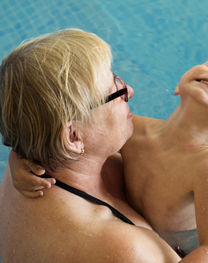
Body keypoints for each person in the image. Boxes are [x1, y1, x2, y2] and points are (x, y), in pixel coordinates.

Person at [8, 48, 208, 262]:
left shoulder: (207, 167)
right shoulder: (134, 130)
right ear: (180, 86)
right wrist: (20, 161)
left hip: (185, 241)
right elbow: (52, 136)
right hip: (152, 217)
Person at [0, 28, 183, 263]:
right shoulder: (126, 249)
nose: (129, 91)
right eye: (114, 91)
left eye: (117, 77)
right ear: (74, 137)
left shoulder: (28, 156)